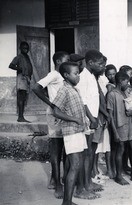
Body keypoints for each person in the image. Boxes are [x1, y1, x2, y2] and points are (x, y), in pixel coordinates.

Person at [32, 51, 69, 199]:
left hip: (64, 115)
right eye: (66, 60)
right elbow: (36, 87)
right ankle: (57, 184)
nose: (68, 62)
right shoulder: (54, 74)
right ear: (59, 61)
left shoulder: (63, 75)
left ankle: (58, 179)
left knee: (65, 148)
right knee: (56, 148)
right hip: (55, 115)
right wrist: (51, 104)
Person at [52, 62, 88, 205]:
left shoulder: (75, 90)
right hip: (71, 131)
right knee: (74, 165)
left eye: (79, 73)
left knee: (75, 165)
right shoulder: (64, 90)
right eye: (75, 73)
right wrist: (74, 119)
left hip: (78, 130)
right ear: (66, 75)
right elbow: (55, 110)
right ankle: (66, 202)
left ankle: (68, 200)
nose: (78, 76)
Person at [74, 50, 105, 198]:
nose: (102, 66)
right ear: (90, 63)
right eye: (100, 64)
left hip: (91, 121)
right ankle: (80, 189)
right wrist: (92, 119)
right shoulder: (83, 77)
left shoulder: (92, 77)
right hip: (86, 121)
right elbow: (83, 102)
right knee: (83, 155)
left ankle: (87, 183)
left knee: (88, 154)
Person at [106, 72, 132, 185]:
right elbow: (110, 116)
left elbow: (131, 110)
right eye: (126, 82)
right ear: (120, 81)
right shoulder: (112, 94)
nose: (128, 84)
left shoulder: (126, 93)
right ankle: (118, 176)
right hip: (120, 126)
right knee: (120, 150)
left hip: (131, 125)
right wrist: (115, 133)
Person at [9, 41, 33, 123]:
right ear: (20, 49)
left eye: (27, 48)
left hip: (26, 79)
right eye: (24, 48)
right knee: (21, 97)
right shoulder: (19, 57)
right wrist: (20, 69)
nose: (26, 49)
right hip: (21, 78)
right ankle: (20, 117)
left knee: (24, 98)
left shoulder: (27, 57)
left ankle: (21, 116)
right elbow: (11, 65)